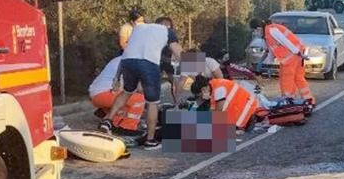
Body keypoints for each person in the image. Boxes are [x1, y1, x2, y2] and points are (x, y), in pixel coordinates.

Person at [102, 16, 181, 148]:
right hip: (148, 63)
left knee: (127, 92)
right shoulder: (168, 32)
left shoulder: (139, 28)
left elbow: (126, 53)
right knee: (153, 103)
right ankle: (150, 140)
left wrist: (116, 78)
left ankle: (107, 120)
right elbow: (179, 53)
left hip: (127, 61)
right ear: (168, 26)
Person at [256, 18, 314, 105]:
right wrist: (265, 64)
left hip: (292, 57)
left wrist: (297, 52)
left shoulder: (271, 30)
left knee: (286, 78)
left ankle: (288, 99)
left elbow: (285, 42)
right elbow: (271, 52)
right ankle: (308, 99)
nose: (256, 33)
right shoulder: (270, 31)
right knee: (298, 78)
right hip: (296, 55)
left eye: (256, 30)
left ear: (258, 28)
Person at [88, 54, 145, 134]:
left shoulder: (120, 59)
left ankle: (110, 120)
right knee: (139, 99)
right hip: (105, 93)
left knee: (127, 101)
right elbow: (139, 88)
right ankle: (127, 129)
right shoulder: (135, 62)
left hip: (97, 94)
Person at [190, 75, 261, 135]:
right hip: (242, 106)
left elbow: (219, 109)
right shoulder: (212, 85)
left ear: (203, 89)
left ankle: (248, 120)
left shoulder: (218, 89)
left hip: (247, 109)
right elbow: (212, 109)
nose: (201, 97)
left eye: (200, 95)